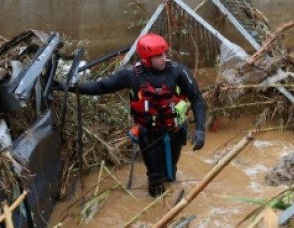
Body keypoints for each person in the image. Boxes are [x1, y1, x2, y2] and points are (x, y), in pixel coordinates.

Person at [56, 34, 206, 197]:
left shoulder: (179, 72)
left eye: (165, 54)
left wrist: (200, 130)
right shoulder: (130, 75)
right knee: (155, 178)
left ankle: (171, 200)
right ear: (147, 59)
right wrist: (63, 86)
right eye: (158, 56)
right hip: (148, 135)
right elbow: (100, 87)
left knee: (169, 174)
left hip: (174, 132)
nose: (164, 59)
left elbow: (196, 98)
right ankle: (157, 210)